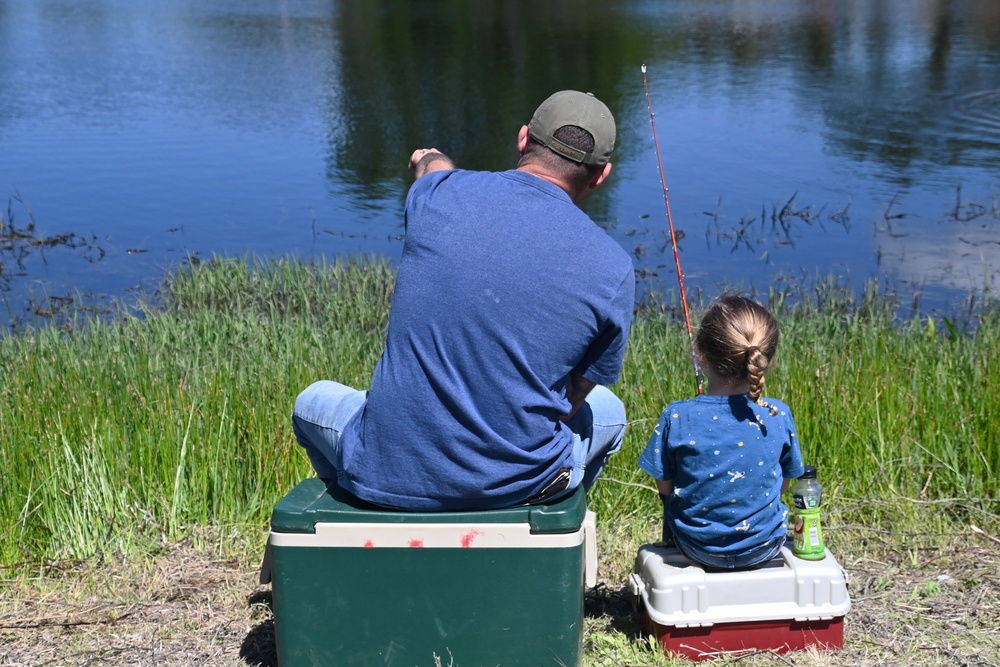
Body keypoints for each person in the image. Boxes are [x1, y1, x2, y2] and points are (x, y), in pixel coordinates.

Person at [292, 90, 636, 511]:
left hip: (382, 469)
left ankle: (362, 520)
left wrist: (429, 158)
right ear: (602, 175)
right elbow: (570, 403)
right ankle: (548, 531)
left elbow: (432, 170)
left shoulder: (438, 196)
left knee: (313, 401)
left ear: (524, 139)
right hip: (522, 484)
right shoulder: (613, 268)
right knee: (610, 413)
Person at [638, 294, 805, 569]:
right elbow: (784, 483)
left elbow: (665, 488)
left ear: (701, 354)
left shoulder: (677, 415)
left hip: (695, 548)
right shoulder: (778, 413)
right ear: (766, 359)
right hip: (763, 547)